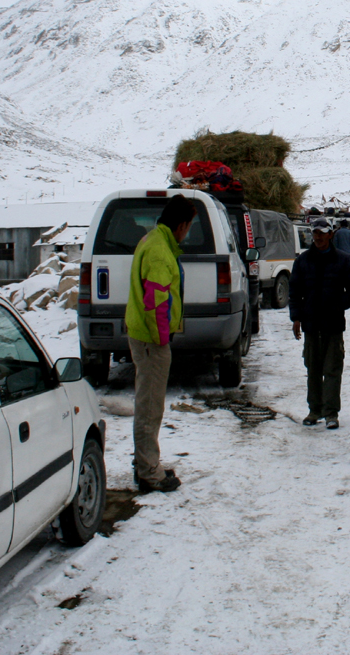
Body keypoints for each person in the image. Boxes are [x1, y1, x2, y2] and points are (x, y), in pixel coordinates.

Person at [125, 194, 195, 493]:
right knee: (150, 406)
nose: (188, 232)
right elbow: (156, 302)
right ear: (180, 225)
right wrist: (161, 337)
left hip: (145, 336)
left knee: (148, 403)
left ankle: (146, 461)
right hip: (151, 339)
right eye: (189, 226)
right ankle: (148, 472)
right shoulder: (159, 252)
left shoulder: (155, 241)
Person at [289, 217, 350, 430]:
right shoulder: (302, 261)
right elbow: (294, 292)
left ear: (331, 234)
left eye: (322, 233)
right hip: (311, 325)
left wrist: (340, 305)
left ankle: (331, 413)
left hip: (333, 325)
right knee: (313, 368)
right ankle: (314, 410)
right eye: (315, 233)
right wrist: (296, 317)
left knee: (332, 369)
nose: (318, 237)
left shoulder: (342, 260)